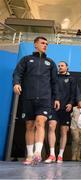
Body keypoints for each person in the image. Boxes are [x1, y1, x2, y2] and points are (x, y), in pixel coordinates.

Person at [13, 36, 60, 165]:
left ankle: (37, 153)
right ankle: (29, 155)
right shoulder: (26, 60)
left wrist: (56, 98)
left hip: (45, 98)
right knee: (29, 126)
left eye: (46, 44)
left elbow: (55, 82)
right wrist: (16, 83)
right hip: (28, 97)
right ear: (35, 44)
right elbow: (17, 73)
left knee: (40, 122)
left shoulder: (50, 63)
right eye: (42, 43)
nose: (45, 45)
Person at [44, 61, 76, 163]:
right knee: (51, 126)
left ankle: (60, 155)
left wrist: (71, 103)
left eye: (62, 66)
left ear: (67, 67)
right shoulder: (54, 78)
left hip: (66, 109)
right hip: (54, 107)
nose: (60, 67)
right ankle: (52, 154)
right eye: (59, 66)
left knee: (63, 131)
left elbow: (73, 93)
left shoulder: (71, 79)